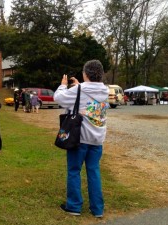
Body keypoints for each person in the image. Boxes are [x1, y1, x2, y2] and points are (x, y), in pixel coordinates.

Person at [53, 60, 109, 218]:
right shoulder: (105, 91)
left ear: (85, 74)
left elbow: (58, 98)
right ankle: (97, 209)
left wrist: (63, 85)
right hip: (97, 139)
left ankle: (74, 206)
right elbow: (92, 106)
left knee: (74, 171)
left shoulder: (79, 89)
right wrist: (79, 86)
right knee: (94, 172)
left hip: (80, 139)